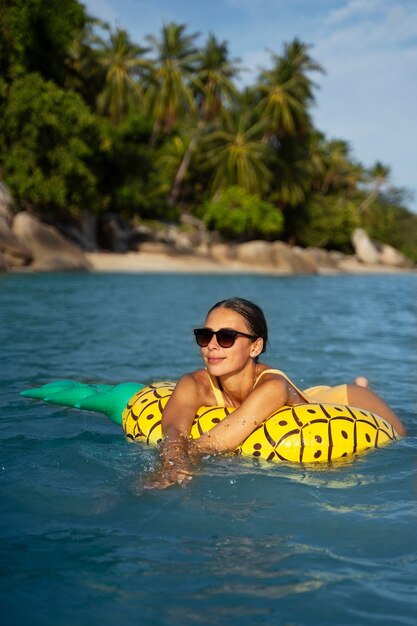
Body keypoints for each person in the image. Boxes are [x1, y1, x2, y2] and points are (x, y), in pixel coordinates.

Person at [145, 297, 405, 489]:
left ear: (255, 346)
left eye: (226, 337)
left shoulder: (272, 387)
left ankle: (361, 386)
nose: (212, 346)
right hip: (301, 397)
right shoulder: (193, 383)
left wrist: (182, 464)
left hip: (342, 402)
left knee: (403, 442)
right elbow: (173, 431)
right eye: (204, 336)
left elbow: (213, 443)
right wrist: (172, 460)